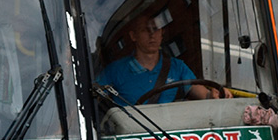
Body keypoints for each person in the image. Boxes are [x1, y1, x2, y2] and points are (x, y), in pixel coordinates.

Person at [97, 13, 229, 103]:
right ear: (133, 36)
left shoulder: (178, 67)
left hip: (169, 139)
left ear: (162, 33)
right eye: (144, 30)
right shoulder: (114, 71)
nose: (151, 35)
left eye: (155, 29)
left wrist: (214, 95)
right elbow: (95, 98)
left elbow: (202, 93)